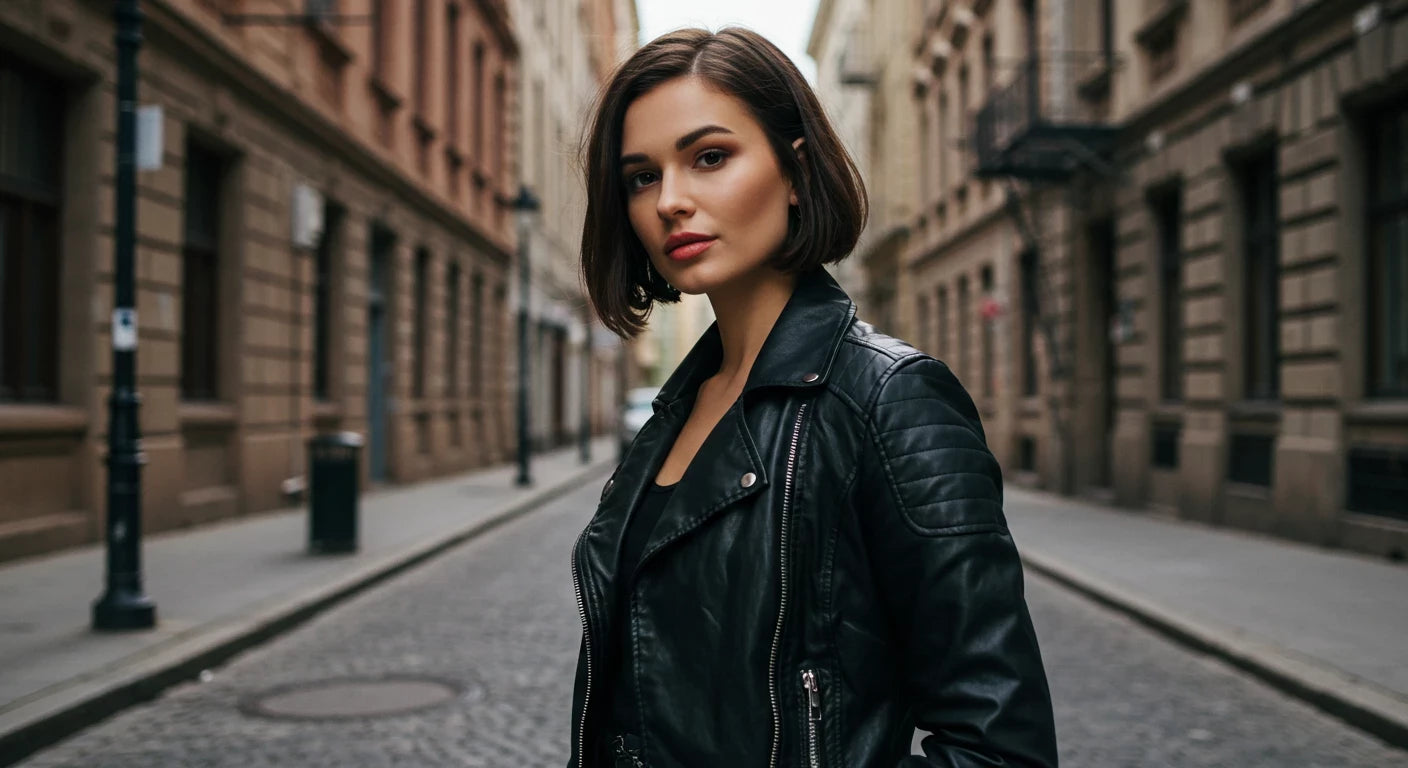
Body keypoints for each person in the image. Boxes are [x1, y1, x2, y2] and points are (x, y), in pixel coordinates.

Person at [570, 27, 1058, 768]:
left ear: (795, 172)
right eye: (642, 176)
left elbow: (1000, 748)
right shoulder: (673, 414)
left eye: (709, 157)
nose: (671, 200)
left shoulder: (890, 399)